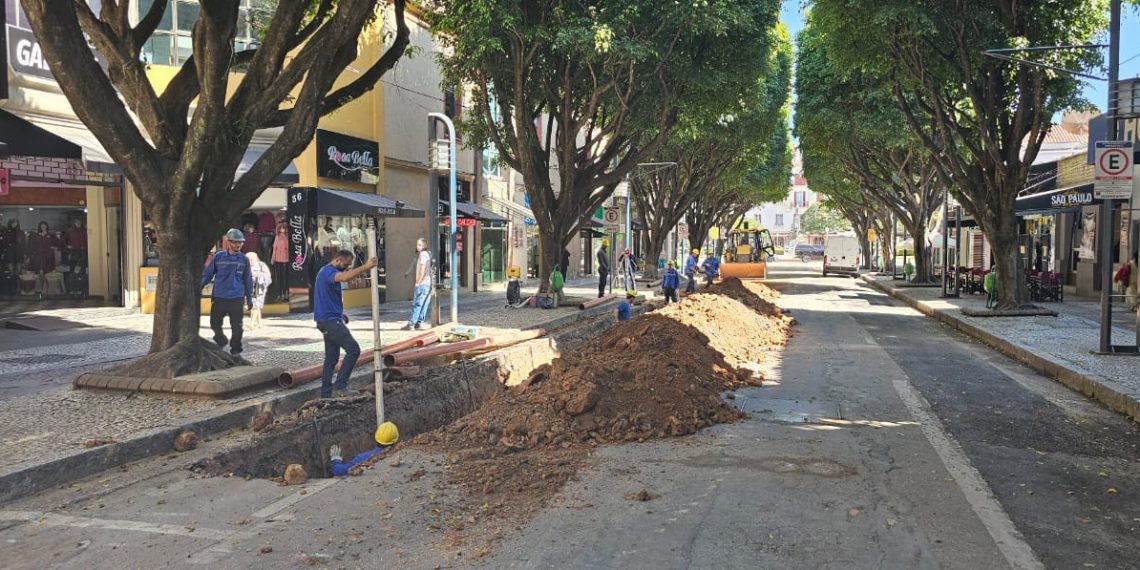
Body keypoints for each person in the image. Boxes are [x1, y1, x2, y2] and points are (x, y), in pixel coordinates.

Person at [314, 249, 377, 398]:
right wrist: (366, 266)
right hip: (330, 322)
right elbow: (345, 277)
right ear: (338, 260)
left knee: (331, 358)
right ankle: (340, 387)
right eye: (346, 265)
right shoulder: (329, 272)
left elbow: (326, 297)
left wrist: (339, 314)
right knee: (353, 350)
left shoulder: (324, 272)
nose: (347, 268)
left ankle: (326, 393)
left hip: (327, 320)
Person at [201, 229, 253, 355]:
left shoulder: (244, 259)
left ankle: (236, 349)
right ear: (228, 242)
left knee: (237, 326)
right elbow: (208, 274)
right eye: (235, 242)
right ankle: (221, 339)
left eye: (240, 242)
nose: (238, 245)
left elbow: (248, 279)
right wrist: (199, 287)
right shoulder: (218, 257)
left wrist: (249, 298)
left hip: (236, 297)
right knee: (214, 323)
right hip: (219, 296)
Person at [404, 237, 433, 330]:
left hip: (423, 283)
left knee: (417, 303)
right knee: (424, 304)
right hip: (428, 283)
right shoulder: (429, 254)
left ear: (425, 245)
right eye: (417, 245)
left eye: (419, 245)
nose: (417, 246)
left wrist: (417, 282)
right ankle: (419, 322)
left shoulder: (423, 255)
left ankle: (411, 323)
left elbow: (422, 270)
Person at [246, 251, 272, 329]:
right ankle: (259, 323)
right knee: (254, 305)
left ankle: (252, 323)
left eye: (252, 259)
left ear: (256, 259)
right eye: (249, 260)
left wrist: (256, 275)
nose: (250, 261)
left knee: (255, 305)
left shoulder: (261, 265)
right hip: (250, 288)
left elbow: (267, 275)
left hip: (259, 287)